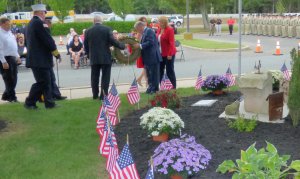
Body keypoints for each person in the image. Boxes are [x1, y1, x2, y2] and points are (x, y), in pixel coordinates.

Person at [24, 4, 61, 109]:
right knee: (43, 82)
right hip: (40, 60)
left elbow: (27, 42)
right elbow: (48, 40)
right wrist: (56, 53)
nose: (45, 14)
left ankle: (49, 103)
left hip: (36, 59)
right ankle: (29, 102)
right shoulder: (39, 23)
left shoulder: (30, 23)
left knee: (46, 82)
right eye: (45, 12)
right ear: (40, 12)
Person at [84, 15, 125, 100]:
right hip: (105, 57)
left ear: (93, 21)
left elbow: (86, 45)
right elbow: (113, 41)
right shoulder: (107, 29)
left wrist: (88, 55)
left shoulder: (88, 31)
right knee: (105, 77)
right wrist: (122, 46)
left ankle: (95, 95)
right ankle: (103, 95)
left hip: (94, 57)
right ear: (101, 21)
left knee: (94, 77)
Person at [133, 21, 161, 94]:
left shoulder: (149, 31)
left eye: (137, 29)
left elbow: (150, 42)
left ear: (140, 26)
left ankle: (154, 89)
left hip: (153, 57)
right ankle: (150, 87)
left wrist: (140, 46)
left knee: (154, 74)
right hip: (147, 57)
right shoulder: (145, 32)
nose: (137, 31)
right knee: (149, 74)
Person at [44, 17, 67, 101]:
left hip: (47, 59)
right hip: (45, 60)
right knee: (50, 78)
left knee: (52, 78)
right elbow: (51, 45)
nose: (50, 26)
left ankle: (56, 94)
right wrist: (57, 55)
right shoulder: (46, 30)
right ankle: (52, 95)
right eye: (50, 24)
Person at [0, 17, 21, 102]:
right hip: (4, 58)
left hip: (12, 57)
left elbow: (13, 45)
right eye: (8, 24)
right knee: (8, 79)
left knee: (14, 78)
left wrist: (17, 56)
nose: (10, 25)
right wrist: (3, 61)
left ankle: (6, 94)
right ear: (2, 24)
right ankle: (12, 98)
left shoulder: (9, 33)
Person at [157, 16, 176, 89]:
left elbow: (172, 43)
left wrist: (170, 54)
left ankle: (173, 88)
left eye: (159, 22)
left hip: (169, 54)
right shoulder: (159, 29)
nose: (158, 23)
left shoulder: (170, 29)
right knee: (160, 71)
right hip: (161, 54)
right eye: (158, 22)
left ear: (163, 22)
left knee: (169, 71)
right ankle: (162, 87)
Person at [136, 16, 148, 87]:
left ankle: (141, 79)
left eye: (145, 21)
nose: (145, 22)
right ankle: (145, 81)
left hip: (145, 50)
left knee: (146, 67)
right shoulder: (140, 32)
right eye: (143, 21)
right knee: (146, 67)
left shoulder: (146, 30)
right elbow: (138, 42)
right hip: (142, 51)